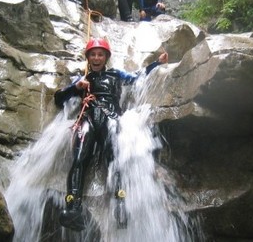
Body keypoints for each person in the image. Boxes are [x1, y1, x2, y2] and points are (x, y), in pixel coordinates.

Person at [54, 38, 168, 231]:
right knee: (80, 158)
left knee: (114, 159)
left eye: (100, 54)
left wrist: (157, 63)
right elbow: (59, 99)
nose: (96, 58)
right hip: (88, 119)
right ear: (88, 57)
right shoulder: (83, 79)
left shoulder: (116, 74)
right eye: (93, 54)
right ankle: (73, 207)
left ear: (106, 57)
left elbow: (137, 77)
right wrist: (76, 87)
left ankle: (121, 205)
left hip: (111, 118)